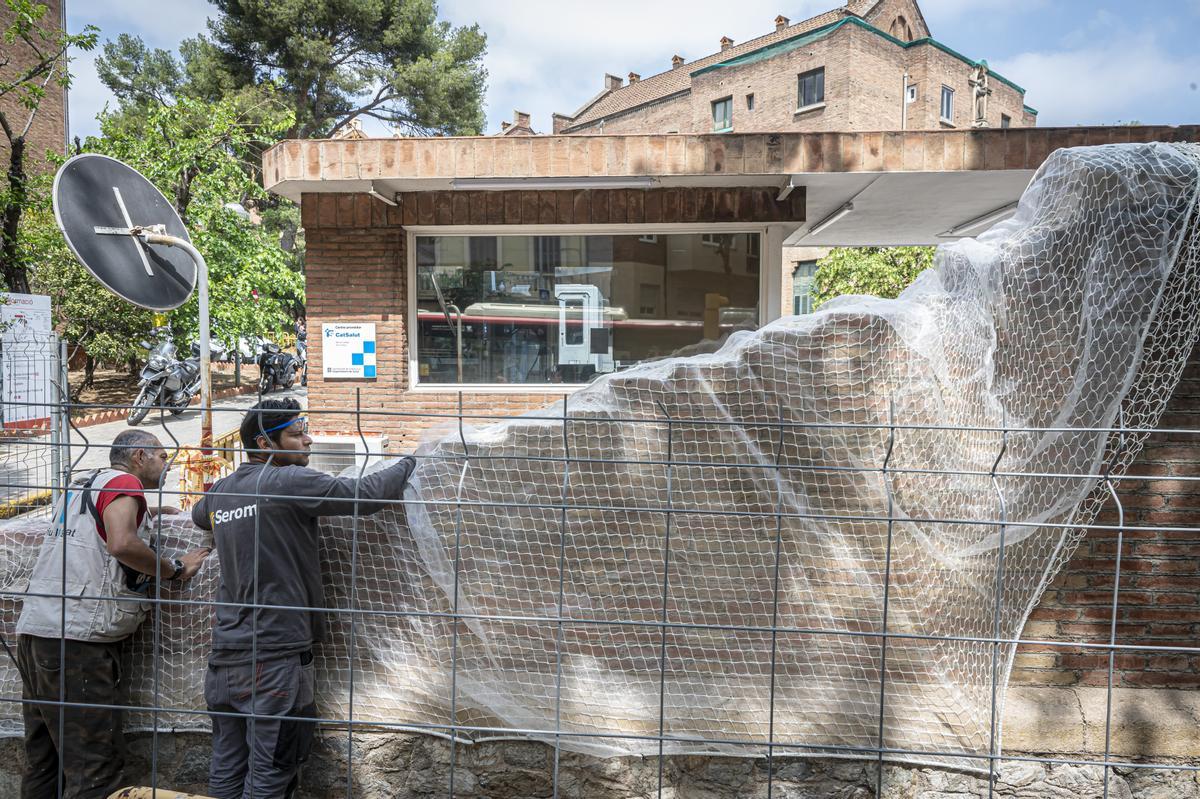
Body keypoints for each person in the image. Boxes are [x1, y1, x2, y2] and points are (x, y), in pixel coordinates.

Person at [193, 398, 415, 799]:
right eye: (297, 435)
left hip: (224, 660)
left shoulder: (221, 492)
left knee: (226, 769)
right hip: (275, 661)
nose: (308, 441)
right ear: (265, 444)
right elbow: (365, 494)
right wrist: (413, 460)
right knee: (271, 773)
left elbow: (197, 514)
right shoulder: (287, 481)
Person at [16, 429, 210, 799]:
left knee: (46, 763)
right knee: (93, 772)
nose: (166, 464)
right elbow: (121, 543)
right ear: (139, 455)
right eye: (162, 456)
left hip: (38, 633)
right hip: (77, 642)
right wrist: (173, 568)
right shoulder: (124, 482)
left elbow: (95, 524)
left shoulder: (83, 486)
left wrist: (148, 512)